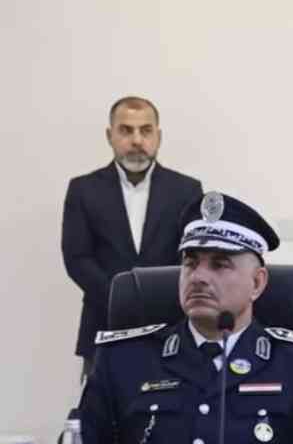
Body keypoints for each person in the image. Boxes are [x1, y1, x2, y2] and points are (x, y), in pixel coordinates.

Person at [43, 191, 293, 444]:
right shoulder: (124, 361)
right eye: (190, 263)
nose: (199, 277)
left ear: (257, 283)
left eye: (220, 264)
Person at [62, 96, 203, 375]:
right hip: (103, 326)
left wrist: (158, 299)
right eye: (126, 130)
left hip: (171, 328)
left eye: (145, 130)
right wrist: (121, 298)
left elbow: (192, 256)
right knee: (101, 404)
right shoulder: (83, 190)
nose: (137, 140)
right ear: (109, 136)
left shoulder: (187, 190)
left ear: (158, 136)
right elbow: (77, 259)